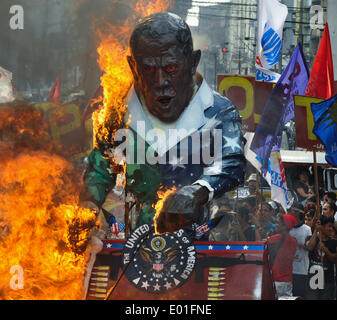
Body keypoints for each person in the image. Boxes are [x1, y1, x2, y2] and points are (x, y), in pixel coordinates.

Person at [80, 12, 246, 234]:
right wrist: (87, 208)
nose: (160, 82)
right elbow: (101, 167)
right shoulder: (118, 110)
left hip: (195, 246)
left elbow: (232, 162)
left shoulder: (219, 110)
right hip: (134, 246)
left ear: (193, 62)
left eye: (171, 68)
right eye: (149, 69)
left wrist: (199, 191)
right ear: (133, 66)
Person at [305, 215, 337, 300]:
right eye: (329, 226)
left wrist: (326, 250)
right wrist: (316, 230)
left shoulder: (334, 242)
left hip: (327, 282)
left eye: (332, 226)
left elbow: (334, 259)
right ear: (321, 227)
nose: (331, 229)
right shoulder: (311, 238)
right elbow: (309, 247)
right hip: (312, 282)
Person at [267, 214, 297, 298]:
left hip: (276, 280)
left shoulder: (276, 238)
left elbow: (261, 244)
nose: (276, 224)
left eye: (278, 223)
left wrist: (258, 227)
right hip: (288, 280)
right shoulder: (294, 241)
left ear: (285, 226)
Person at [288, 202, 312, 298]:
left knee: (299, 296)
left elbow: (310, 247)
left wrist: (298, 244)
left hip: (301, 270)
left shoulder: (307, 229)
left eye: (291, 210)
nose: (289, 212)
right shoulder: (286, 228)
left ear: (297, 213)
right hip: (287, 270)